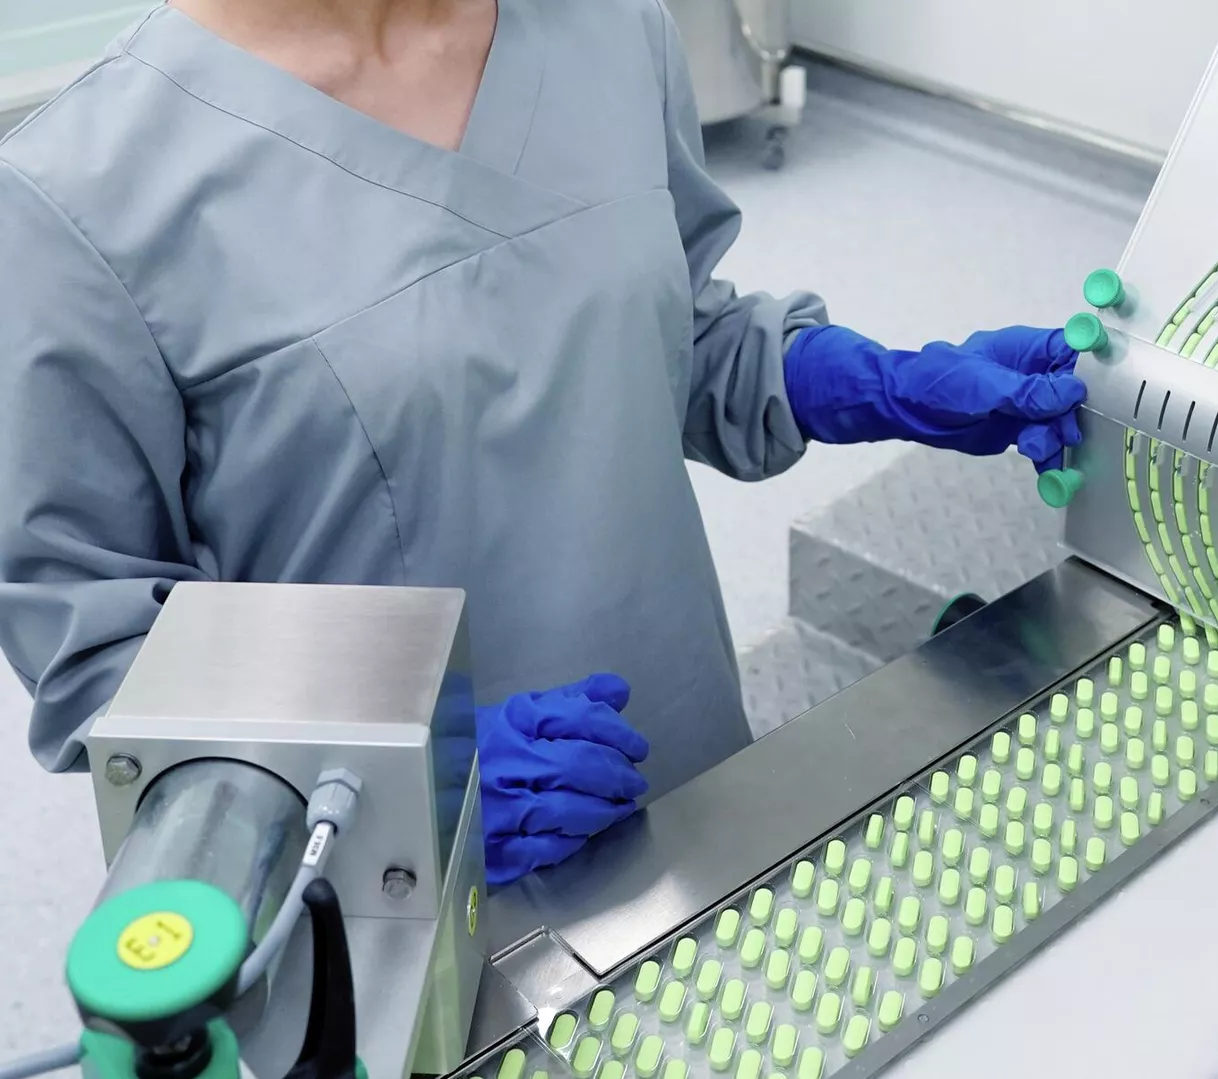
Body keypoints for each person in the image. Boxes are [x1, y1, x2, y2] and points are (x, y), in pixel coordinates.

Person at [0, 0, 1085, 886]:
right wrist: (395, 773)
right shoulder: (77, 199)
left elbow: (669, 330)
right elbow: (102, 653)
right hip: (374, 899)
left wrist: (865, 381)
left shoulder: (608, 27)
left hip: (692, 776)